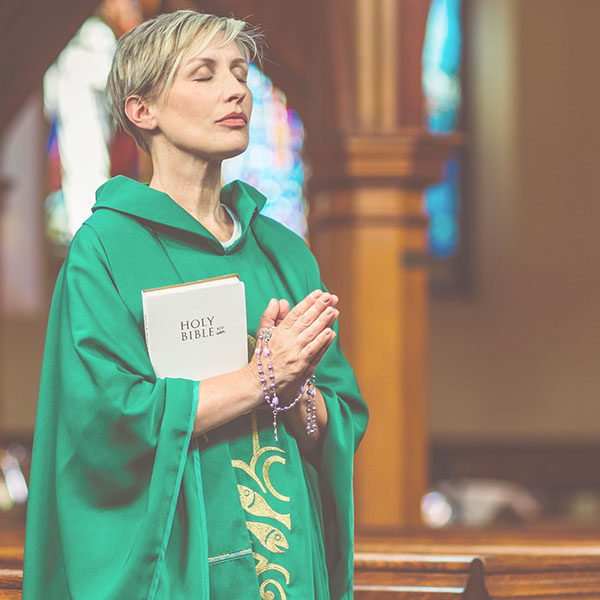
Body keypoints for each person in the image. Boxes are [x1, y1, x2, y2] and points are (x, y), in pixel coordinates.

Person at [23, 10, 368, 600]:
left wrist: (301, 395)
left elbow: (336, 422)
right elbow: (107, 424)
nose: (236, 89)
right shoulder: (105, 250)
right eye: (204, 75)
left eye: (240, 71)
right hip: (178, 565)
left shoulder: (282, 250)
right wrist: (263, 375)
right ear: (142, 111)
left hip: (284, 554)